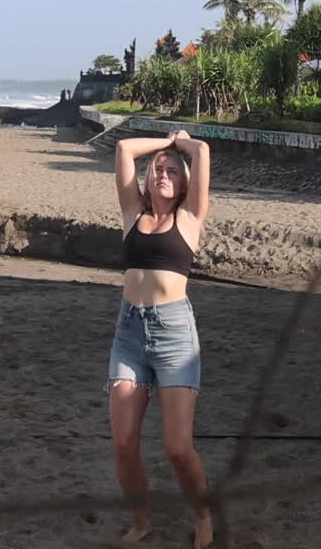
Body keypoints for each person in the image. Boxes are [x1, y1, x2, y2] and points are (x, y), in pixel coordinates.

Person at [108, 128, 213, 547]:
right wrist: (164, 144)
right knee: (123, 443)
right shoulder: (132, 212)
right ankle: (141, 522)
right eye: (157, 170)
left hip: (174, 337)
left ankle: (203, 516)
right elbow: (123, 148)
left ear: (184, 182)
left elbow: (201, 151)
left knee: (177, 447)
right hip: (129, 333)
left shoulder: (189, 218)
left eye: (171, 171)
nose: (163, 174)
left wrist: (180, 144)